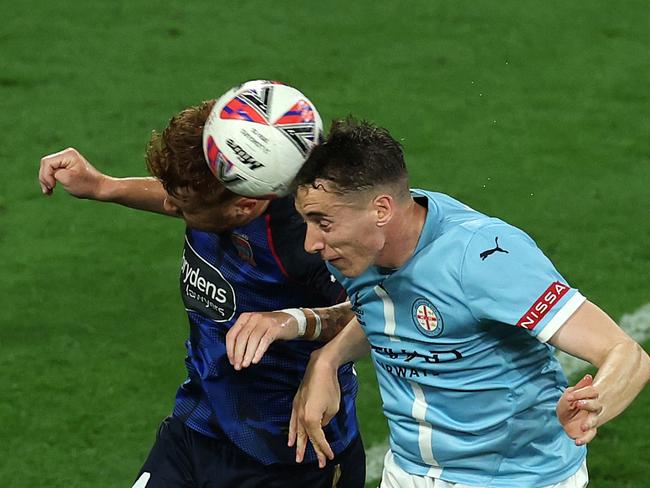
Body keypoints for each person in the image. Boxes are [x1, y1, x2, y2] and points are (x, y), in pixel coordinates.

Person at [287, 117, 650, 487]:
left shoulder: (483, 259)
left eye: (323, 223)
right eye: (307, 222)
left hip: (514, 477)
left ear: (382, 210)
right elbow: (381, 310)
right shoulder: (361, 245)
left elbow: (627, 354)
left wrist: (592, 406)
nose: (310, 243)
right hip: (407, 471)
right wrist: (328, 359)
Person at [37, 100, 365, 488]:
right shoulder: (229, 180)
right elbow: (194, 198)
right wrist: (105, 186)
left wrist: (304, 336)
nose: (168, 206)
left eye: (183, 207)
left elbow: (378, 308)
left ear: (244, 206)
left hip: (292, 458)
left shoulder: (306, 242)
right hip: (196, 428)